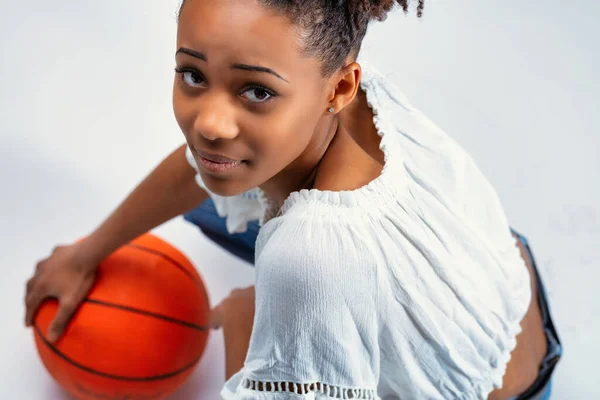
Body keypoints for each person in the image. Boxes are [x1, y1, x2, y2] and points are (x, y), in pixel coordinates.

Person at [23, 0, 562, 398]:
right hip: (504, 279)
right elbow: (195, 169)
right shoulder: (349, 87)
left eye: (256, 91)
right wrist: (86, 251)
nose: (209, 123)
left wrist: (243, 322)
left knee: (268, 233)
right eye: (193, 74)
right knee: (216, 179)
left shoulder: (310, 257)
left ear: (338, 88)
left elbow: (307, 264)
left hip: (494, 387)